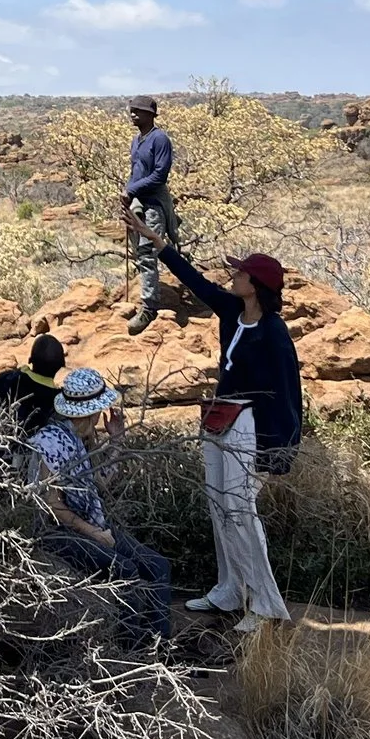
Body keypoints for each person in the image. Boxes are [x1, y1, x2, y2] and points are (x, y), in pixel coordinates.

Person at [157, 243, 300, 631]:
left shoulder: (273, 333)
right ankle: (230, 590)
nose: (232, 277)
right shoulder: (233, 313)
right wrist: (160, 248)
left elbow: (289, 393)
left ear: (255, 284)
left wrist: (278, 451)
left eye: (240, 273)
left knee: (240, 512)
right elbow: (197, 284)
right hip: (221, 418)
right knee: (218, 505)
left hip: (252, 426)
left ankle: (265, 603)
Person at [23, 366, 171, 643]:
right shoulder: (49, 443)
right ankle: (132, 649)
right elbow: (52, 506)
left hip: (90, 520)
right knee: (125, 570)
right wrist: (94, 534)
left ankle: (160, 647)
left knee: (157, 565)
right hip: (58, 530)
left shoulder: (81, 438)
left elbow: (101, 482)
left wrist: (116, 441)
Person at [121, 96, 181, 334]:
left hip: (154, 204)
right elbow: (135, 171)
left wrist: (132, 189)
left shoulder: (160, 139)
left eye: (139, 111)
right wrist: (126, 193)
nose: (133, 114)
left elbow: (159, 175)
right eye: (132, 110)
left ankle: (149, 308)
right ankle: (147, 300)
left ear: (151, 115)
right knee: (139, 252)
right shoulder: (137, 141)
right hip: (138, 203)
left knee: (148, 253)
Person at [0, 333, 66, 436]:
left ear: (30, 360)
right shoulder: (58, 402)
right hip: (22, 450)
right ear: (60, 366)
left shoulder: (4, 378)